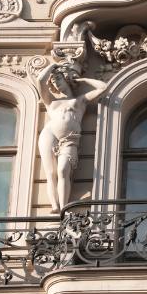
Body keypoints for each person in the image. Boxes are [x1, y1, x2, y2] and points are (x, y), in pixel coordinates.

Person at [37, 63, 107, 213]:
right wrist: (52, 65)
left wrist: (82, 80)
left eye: (58, 78)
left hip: (70, 138)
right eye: (54, 81)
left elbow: (103, 87)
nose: (56, 82)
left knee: (63, 170)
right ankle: (55, 207)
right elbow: (40, 81)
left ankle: (64, 207)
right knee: (51, 173)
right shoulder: (50, 100)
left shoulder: (79, 101)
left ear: (66, 79)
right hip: (49, 134)